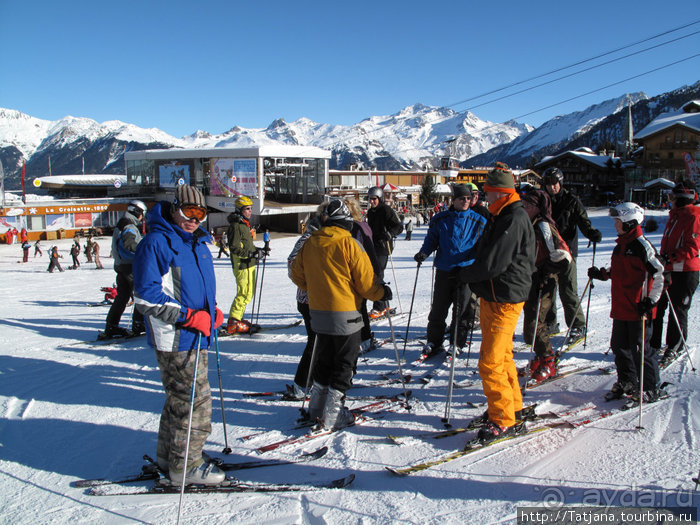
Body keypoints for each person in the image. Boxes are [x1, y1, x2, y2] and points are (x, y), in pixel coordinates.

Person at [133, 184, 225, 486]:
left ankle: (169, 456)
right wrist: (190, 317)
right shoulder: (157, 242)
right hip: (176, 337)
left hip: (196, 333)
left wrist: (212, 311)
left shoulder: (196, 242)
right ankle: (186, 465)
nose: (195, 218)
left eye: (200, 213)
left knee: (179, 400)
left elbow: (190, 288)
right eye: (189, 211)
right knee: (196, 402)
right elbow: (146, 297)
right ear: (174, 208)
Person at [290, 199, 390, 429]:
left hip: (318, 313)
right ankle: (334, 415)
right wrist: (381, 293)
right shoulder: (350, 244)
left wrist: (316, 286)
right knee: (344, 364)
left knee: (324, 359)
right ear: (345, 222)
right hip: (346, 313)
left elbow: (297, 275)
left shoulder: (310, 243)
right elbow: (366, 285)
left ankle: (316, 408)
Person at [459, 162, 535, 443]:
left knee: (489, 363)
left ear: (502, 193)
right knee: (502, 357)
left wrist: (466, 276)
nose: (485, 197)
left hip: (505, 296)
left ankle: (502, 419)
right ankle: (509, 408)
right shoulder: (501, 214)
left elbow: (494, 262)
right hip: (495, 294)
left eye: (489, 192)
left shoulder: (512, 218)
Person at [587, 202, 665, 402]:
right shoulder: (621, 246)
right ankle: (628, 380)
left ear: (630, 222)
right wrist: (602, 274)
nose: (615, 225)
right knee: (619, 346)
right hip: (621, 307)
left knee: (641, 350)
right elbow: (619, 272)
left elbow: (659, 274)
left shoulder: (641, 246)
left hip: (638, 309)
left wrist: (651, 301)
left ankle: (650, 387)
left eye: (618, 221)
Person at [414, 183, 487, 357]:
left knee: (461, 310)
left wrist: (482, 263)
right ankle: (434, 340)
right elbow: (432, 239)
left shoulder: (478, 220)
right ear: (453, 200)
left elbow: (483, 245)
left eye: (469, 198)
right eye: (462, 198)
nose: (466, 201)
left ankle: (457, 342)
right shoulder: (440, 219)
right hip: (445, 268)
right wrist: (424, 253)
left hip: (466, 270)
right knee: (439, 307)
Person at [542, 167, 602, 343]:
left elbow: (583, 221)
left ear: (560, 183)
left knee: (568, 291)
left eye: (554, 184)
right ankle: (550, 323)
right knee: (547, 290)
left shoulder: (571, 201)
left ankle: (578, 326)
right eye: (548, 184)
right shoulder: (543, 201)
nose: (551, 187)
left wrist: (591, 233)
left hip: (567, 252)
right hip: (548, 251)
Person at [520, 189, 572, 383]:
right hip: (532, 278)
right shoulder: (531, 223)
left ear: (536, 208)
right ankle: (540, 357)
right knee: (531, 320)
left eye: (526, 205)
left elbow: (563, 255)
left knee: (536, 322)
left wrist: (546, 270)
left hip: (544, 280)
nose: (523, 208)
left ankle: (548, 360)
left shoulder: (543, 225)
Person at [650, 180, 700, 365]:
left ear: (682, 198)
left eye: (673, 197)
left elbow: (692, 248)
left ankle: (675, 346)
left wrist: (669, 258)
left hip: (685, 272)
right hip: (669, 270)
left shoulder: (694, 216)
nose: (670, 200)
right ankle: (652, 344)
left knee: (677, 310)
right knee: (658, 306)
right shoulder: (676, 215)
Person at [285, 214, 322, 400]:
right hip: (308, 300)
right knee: (315, 342)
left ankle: (315, 379)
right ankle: (302, 383)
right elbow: (292, 264)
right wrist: (310, 281)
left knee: (319, 341)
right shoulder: (308, 240)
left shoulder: (316, 240)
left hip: (316, 299)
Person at [101, 200, 147, 339]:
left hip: (121, 265)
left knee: (122, 297)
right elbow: (130, 243)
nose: (142, 218)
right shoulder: (129, 225)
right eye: (142, 214)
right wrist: (145, 251)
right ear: (138, 212)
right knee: (140, 294)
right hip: (130, 266)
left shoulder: (123, 222)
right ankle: (138, 323)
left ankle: (111, 325)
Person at [225, 196, 267, 334]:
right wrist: (251, 254)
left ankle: (238, 318)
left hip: (249, 263)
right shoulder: (236, 226)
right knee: (243, 293)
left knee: (249, 293)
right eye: (247, 209)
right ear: (239, 210)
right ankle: (233, 322)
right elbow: (234, 248)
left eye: (250, 209)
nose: (250, 211)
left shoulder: (244, 225)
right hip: (241, 264)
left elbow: (248, 246)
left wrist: (258, 251)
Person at [345, 197, 381, 352]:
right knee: (359, 305)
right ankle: (362, 337)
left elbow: (363, 250)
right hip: (363, 270)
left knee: (357, 306)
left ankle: (362, 338)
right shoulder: (362, 226)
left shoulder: (355, 227)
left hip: (358, 271)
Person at [365, 186, 403, 319]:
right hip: (372, 247)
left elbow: (399, 226)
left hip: (383, 247)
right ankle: (383, 303)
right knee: (372, 276)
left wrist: (390, 234)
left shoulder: (386, 210)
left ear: (379, 198)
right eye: (370, 199)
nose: (371, 201)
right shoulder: (371, 212)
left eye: (374, 199)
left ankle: (379, 306)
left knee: (377, 275)